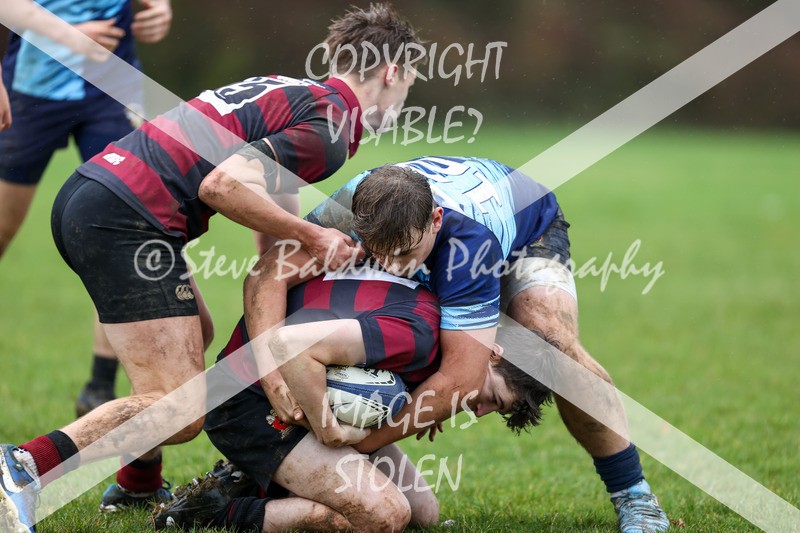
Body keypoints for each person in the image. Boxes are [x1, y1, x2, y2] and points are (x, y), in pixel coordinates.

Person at [0, 4, 422, 531]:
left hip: (99, 193)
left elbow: (270, 201)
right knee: (179, 407)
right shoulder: (331, 128)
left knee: (196, 332)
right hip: (126, 219)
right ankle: (23, 468)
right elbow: (221, 186)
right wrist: (314, 235)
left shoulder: (299, 93)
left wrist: (278, 298)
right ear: (391, 73)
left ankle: (138, 484)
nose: (405, 100)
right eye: (409, 84)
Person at [242, 156, 670, 533]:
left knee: (551, 346)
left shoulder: (470, 247)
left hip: (527, 227)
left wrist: (349, 445)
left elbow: (460, 381)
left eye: (406, 254)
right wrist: (271, 371)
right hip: (426, 222)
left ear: (436, 221)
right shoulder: (356, 202)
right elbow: (268, 272)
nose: (392, 268)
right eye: (378, 253)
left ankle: (633, 494)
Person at [152, 266, 553, 532]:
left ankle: (261, 477)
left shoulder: (444, 327)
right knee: (383, 515)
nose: (479, 411)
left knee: (423, 513)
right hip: (246, 397)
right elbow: (290, 346)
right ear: (494, 352)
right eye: (492, 400)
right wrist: (327, 431)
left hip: (292, 386)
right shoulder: (421, 335)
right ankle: (213, 512)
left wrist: (431, 396)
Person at [0, 0, 173, 418]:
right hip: (32, 87)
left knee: (125, 231)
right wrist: (69, 35)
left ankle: (100, 387)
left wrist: (160, 9)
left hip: (113, 92)